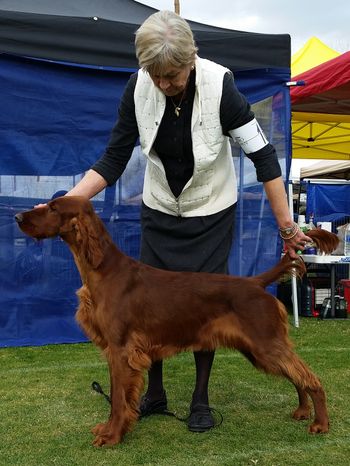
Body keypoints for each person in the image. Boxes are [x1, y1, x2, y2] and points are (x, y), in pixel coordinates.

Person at [62, 10, 311, 433]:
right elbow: (113, 158)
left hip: (211, 211)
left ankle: (200, 400)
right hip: (160, 209)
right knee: (150, 309)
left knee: (205, 308)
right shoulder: (138, 87)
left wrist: (287, 227)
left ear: (191, 59)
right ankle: (153, 394)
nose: (163, 84)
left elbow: (264, 157)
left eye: (172, 75)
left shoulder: (221, 87)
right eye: (155, 75)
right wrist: (66, 204)